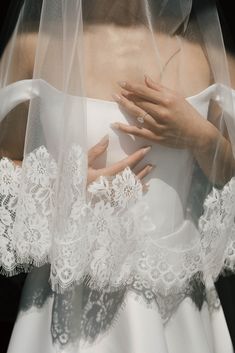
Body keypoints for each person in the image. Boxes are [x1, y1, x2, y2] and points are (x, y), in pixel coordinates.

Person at [1, 0, 235, 352]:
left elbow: (226, 174)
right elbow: (6, 158)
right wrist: (61, 187)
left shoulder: (205, 54)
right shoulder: (36, 46)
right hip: (68, 305)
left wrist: (200, 137)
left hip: (175, 306)